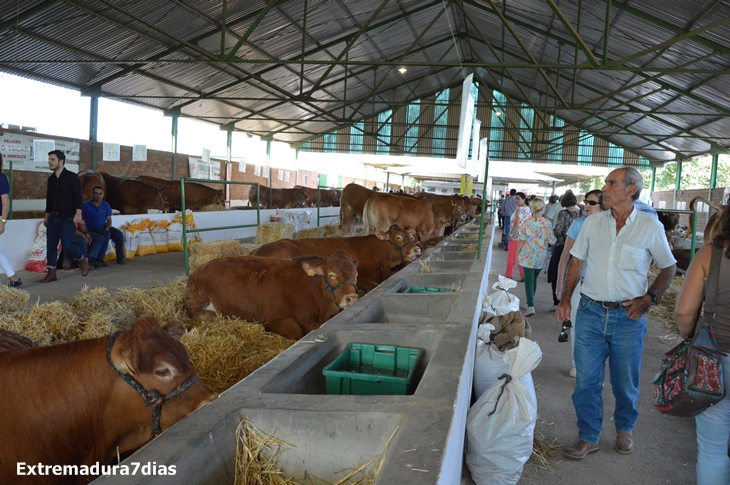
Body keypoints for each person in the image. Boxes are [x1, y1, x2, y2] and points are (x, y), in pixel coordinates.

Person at [556, 167, 676, 460]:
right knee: (586, 380)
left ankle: (624, 429)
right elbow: (576, 263)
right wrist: (566, 299)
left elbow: (669, 267)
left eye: (612, 183)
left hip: (628, 318)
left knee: (625, 380)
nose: (605, 187)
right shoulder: (592, 224)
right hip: (591, 312)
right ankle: (588, 436)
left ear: (631, 189)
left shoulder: (650, 226)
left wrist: (649, 299)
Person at [675, 206, 730, 485]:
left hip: (715, 359)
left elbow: (684, 312)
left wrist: (690, 339)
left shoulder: (710, 254)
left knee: (713, 449)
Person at [555, 189, 607, 377]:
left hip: (602, 285)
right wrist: (561, 285)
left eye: (592, 203)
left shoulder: (612, 225)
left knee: (601, 329)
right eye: (585, 202)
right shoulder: (578, 224)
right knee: (577, 324)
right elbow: (565, 256)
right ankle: (577, 364)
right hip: (580, 283)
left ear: (603, 205)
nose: (586, 205)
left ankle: (595, 366)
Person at [40, 149, 89, 282]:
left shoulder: (72, 177)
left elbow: (78, 197)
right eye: (49, 159)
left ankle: (82, 259)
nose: (49, 162)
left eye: (52, 159)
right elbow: (49, 200)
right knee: (51, 245)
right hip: (53, 218)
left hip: (67, 218)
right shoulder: (51, 179)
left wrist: (78, 214)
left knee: (67, 245)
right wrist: (46, 216)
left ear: (61, 161)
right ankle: (51, 273)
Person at [516, 198, 555, 316]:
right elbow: (552, 240)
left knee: (528, 281)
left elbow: (521, 240)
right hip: (540, 256)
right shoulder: (547, 223)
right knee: (533, 280)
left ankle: (531, 306)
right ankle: (529, 302)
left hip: (527, 255)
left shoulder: (526, 223)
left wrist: (517, 254)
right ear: (543, 209)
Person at [547, 190, 581, 309]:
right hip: (577, 249)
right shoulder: (581, 213)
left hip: (562, 247)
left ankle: (557, 299)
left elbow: (558, 230)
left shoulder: (564, 213)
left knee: (556, 272)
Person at [82, 185, 125, 266]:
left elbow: (109, 220)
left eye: (100, 194)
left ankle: (120, 258)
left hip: (103, 226)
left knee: (119, 234)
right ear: (92, 194)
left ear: (103, 194)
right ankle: (99, 259)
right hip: (91, 227)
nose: (98, 196)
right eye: (96, 193)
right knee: (106, 234)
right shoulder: (85, 205)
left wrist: (107, 227)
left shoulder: (105, 205)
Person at [0, 154, 21, 287]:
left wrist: (2, 222)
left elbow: (5, 203)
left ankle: (14, 278)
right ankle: (14, 279)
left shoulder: (1, 178)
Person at [504, 192, 530, 280]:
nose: (516, 200)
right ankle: (523, 276)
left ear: (524, 199)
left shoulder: (519, 210)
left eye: (518, 198)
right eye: (516, 198)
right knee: (521, 257)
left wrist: (511, 234)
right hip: (525, 236)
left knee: (512, 256)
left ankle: (508, 275)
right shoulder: (528, 209)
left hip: (516, 236)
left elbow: (516, 223)